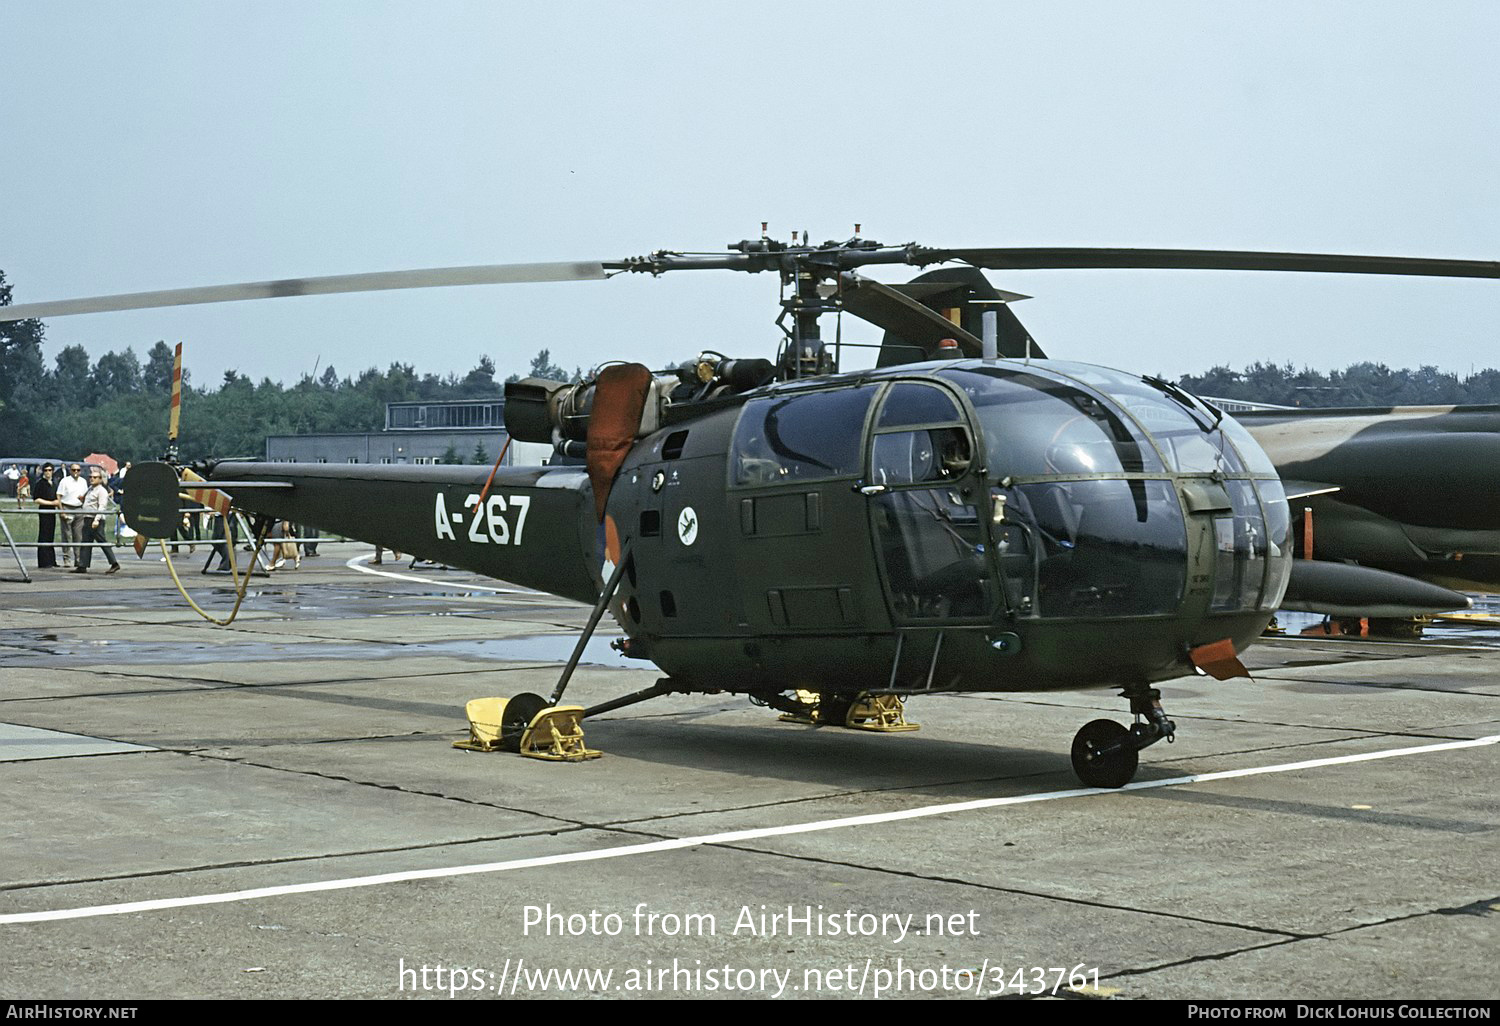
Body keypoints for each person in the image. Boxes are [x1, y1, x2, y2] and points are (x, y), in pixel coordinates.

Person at [72, 467, 120, 574]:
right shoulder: (90, 489)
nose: (92, 479)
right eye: (90, 477)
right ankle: (83, 565)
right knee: (85, 542)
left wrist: (96, 520)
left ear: (100, 479)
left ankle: (114, 563)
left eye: (95, 477)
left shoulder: (101, 491)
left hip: (95, 519)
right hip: (87, 518)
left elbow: (102, 506)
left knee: (102, 541)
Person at [55, 463, 88, 568]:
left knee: (78, 536)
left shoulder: (83, 481)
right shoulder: (65, 481)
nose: (76, 472)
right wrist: (61, 511)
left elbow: (85, 495)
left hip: (79, 509)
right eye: (74, 470)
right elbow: (58, 496)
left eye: (78, 470)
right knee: (66, 535)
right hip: (67, 507)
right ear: (70, 471)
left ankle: (78, 559)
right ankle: (67, 559)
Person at [30, 463, 59, 569]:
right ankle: (43, 562)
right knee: (44, 534)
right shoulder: (40, 483)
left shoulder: (54, 483)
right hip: (44, 511)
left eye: (50, 470)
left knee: (50, 535)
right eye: (46, 470)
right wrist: (51, 503)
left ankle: (51, 560)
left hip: (52, 512)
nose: (48, 472)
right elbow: (36, 499)